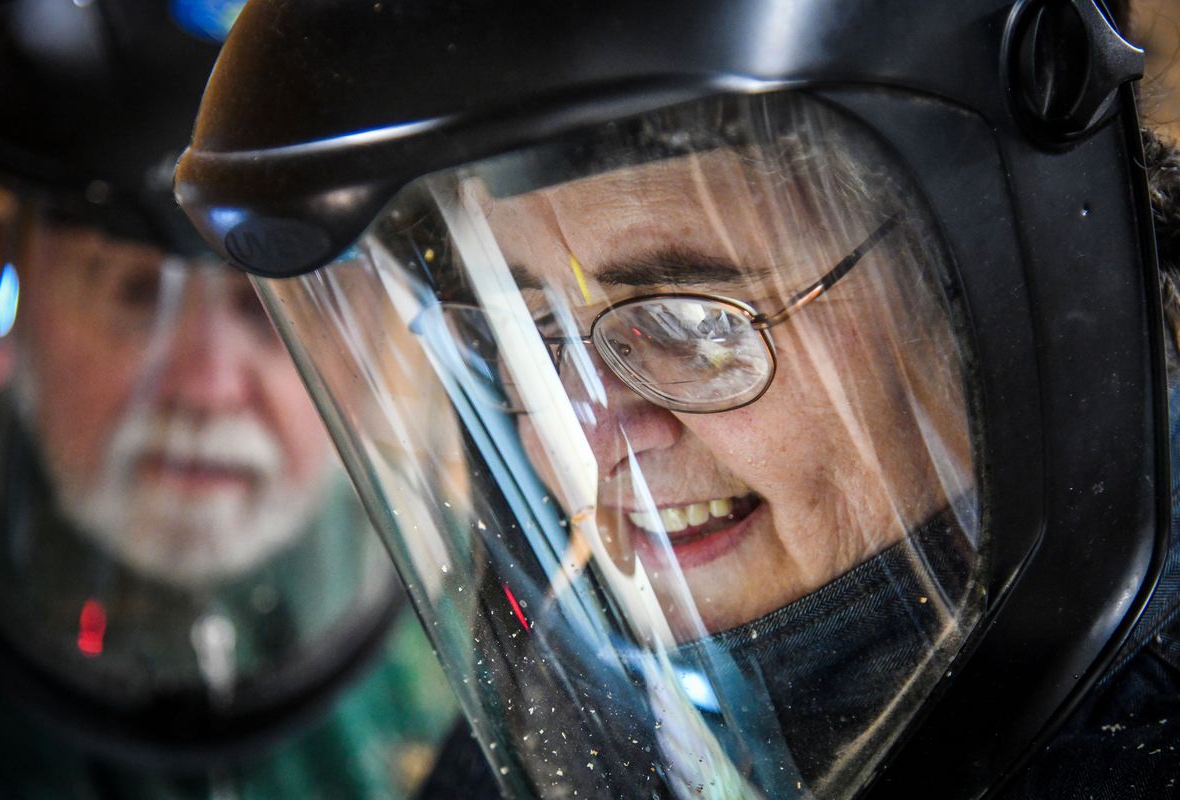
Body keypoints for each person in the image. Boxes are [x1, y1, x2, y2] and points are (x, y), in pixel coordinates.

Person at [173, 0, 1180, 796]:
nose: (586, 428)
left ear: (997, 291)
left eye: (694, 323)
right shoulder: (581, 709)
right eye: (518, 339)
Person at [0, 1, 455, 797]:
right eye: (133, 292)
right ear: (8, 303)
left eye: (278, 309)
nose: (205, 390)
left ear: (383, 344)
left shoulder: (475, 696)